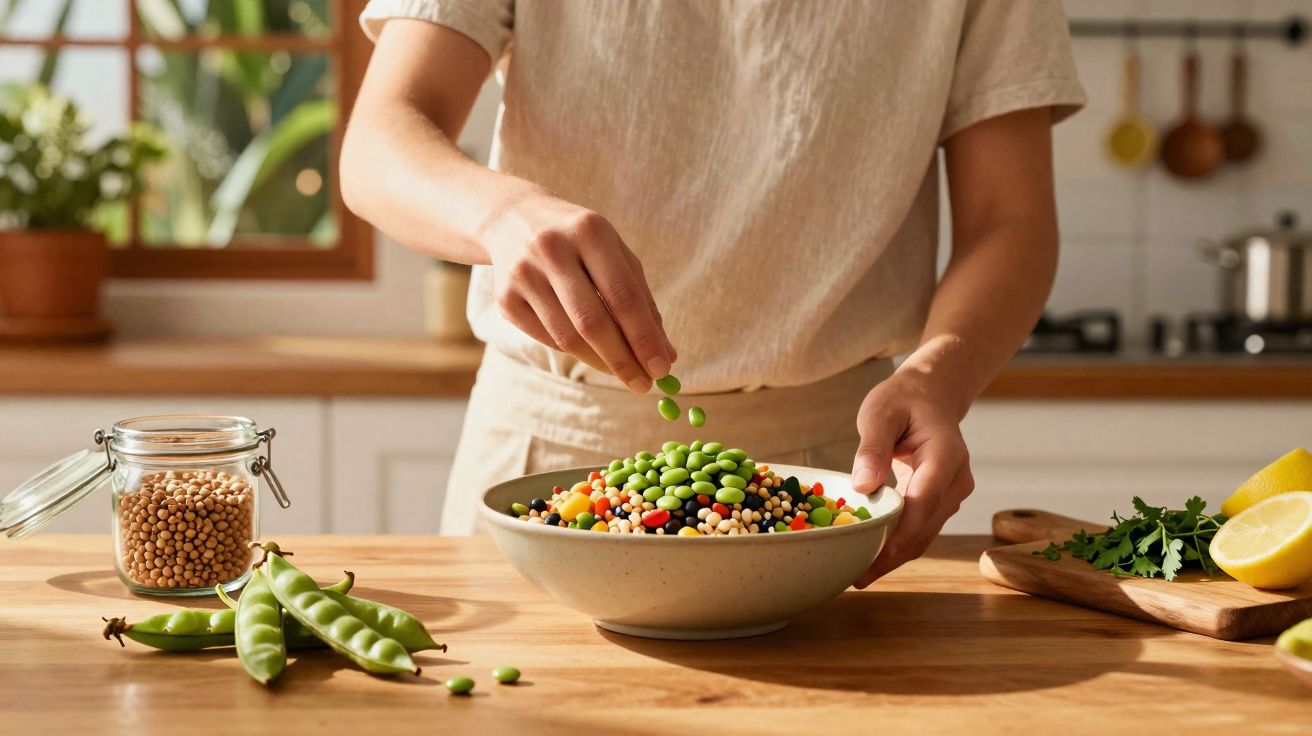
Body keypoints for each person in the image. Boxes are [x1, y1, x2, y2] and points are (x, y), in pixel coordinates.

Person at [342, 1, 1085, 586]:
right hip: (542, 460)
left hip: (834, 473)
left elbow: (1010, 222)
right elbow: (380, 139)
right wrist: (503, 216)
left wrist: (935, 380)